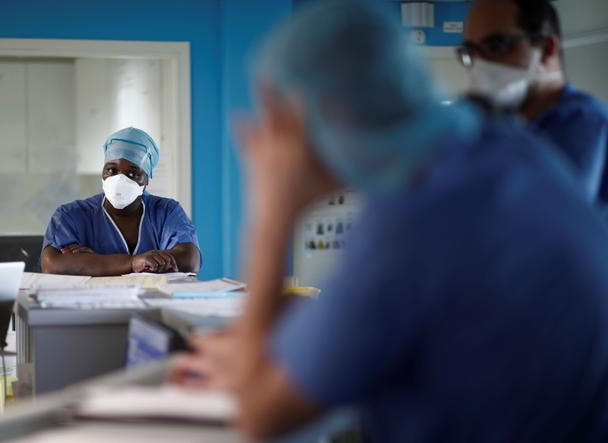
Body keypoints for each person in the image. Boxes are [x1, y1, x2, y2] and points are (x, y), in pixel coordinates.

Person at [169, 1, 608, 442]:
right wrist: (261, 340)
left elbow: (262, 415)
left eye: (277, 117)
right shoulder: (509, 150)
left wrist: (271, 213)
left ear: (310, 116)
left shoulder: (410, 225)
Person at [460, 0, 608, 204]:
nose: (480, 66)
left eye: (495, 46)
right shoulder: (510, 126)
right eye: (470, 52)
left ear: (547, 49)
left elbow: (545, 220)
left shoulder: (582, 120)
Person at [41, 127, 200, 276]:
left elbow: (190, 260)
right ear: (103, 172)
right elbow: (52, 264)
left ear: (146, 180)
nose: (119, 179)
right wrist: (132, 263)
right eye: (111, 170)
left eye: (132, 174)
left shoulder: (166, 212)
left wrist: (94, 263)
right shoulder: (71, 215)